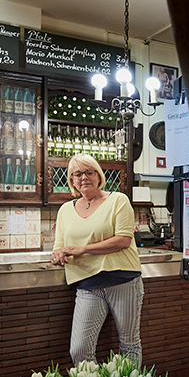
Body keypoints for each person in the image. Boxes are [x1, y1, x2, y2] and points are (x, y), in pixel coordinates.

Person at [51, 154, 143, 365]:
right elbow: (59, 245)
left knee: (129, 344)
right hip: (87, 284)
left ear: (99, 176)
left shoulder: (118, 200)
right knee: (79, 350)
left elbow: (123, 240)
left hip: (123, 281)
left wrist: (82, 249)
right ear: (72, 180)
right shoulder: (65, 210)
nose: (84, 177)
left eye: (89, 172)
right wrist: (58, 254)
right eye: (77, 174)